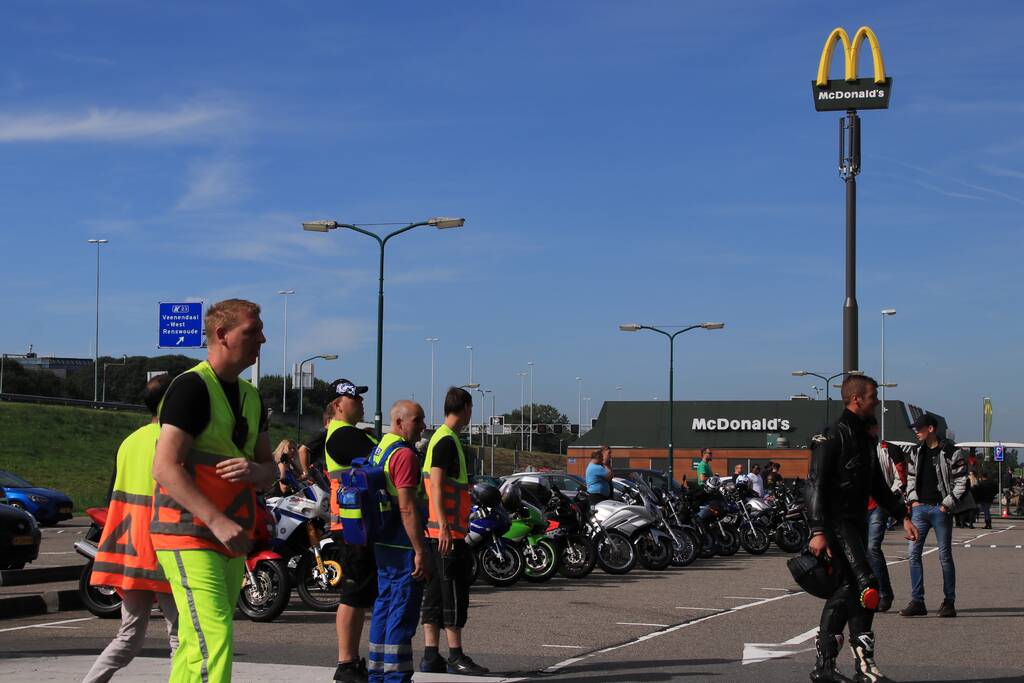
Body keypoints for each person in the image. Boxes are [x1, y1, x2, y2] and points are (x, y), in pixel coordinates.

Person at [150, 298, 277, 683]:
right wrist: (218, 521)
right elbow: (164, 466)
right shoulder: (191, 387)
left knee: (195, 642)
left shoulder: (252, 397)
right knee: (215, 636)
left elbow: (270, 470)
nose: (263, 339)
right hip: (188, 532)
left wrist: (257, 470)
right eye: (252, 331)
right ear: (222, 335)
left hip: (230, 536)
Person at [806, 374, 918, 682]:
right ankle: (832, 666)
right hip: (835, 524)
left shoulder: (866, 440)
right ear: (857, 399)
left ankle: (855, 667)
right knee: (866, 584)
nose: (877, 401)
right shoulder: (831, 437)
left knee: (856, 589)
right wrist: (817, 531)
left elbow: (877, 485)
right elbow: (814, 484)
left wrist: (902, 514)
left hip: (857, 522)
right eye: (873, 396)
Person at [83, 374, 179, 683]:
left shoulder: (129, 441)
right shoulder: (173, 440)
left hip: (129, 550)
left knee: (129, 634)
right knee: (181, 633)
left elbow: (113, 496)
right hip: (161, 548)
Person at [420, 387, 488, 675]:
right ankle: (456, 655)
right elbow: (436, 483)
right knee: (453, 593)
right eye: (471, 409)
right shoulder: (446, 441)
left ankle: (430, 655)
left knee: (435, 592)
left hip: (438, 532)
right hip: (446, 533)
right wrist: (446, 526)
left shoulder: (443, 439)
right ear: (466, 408)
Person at [367, 400, 430, 683]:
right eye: (417, 420)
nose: (423, 426)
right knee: (402, 611)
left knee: (384, 605)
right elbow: (406, 507)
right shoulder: (404, 456)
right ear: (400, 422)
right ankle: (396, 677)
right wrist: (419, 550)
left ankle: (377, 672)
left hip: (383, 541)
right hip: (403, 544)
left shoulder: (380, 449)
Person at [324, 379, 378, 683]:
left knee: (359, 594)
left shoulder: (351, 434)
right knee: (354, 591)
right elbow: (378, 463)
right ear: (337, 405)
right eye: (353, 398)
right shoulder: (343, 435)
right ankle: (346, 663)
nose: (360, 402)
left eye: (359, 397)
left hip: (358, 521)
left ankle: (352, 661)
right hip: (353, 524)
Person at [895, 413, 968, 619]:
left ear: (931, 428)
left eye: (919, 428)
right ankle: (917, 601)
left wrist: (947, 504)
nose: (916, 431)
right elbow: (909, 478)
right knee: (913, 554)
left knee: (944, 556)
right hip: (920, 509)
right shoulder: (915, 452)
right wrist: (913, 500)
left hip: (940, 509)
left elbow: (962, 482)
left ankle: (949, 602)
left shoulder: (952, 452)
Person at [863, 415, 905, 613]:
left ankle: (885, 594)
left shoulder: (889, 449)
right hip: (857, 506)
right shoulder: (852, 449)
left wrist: (890, 496)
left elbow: (901, 477)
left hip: (879, 504)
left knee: (872, 548)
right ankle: (866, 594)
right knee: (859, 551)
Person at [299, 403, 334, 475]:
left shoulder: (330, 433)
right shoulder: (322, 433)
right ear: (329, 420)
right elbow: (302, 450)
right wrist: (306, 472)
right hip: (323, 473)